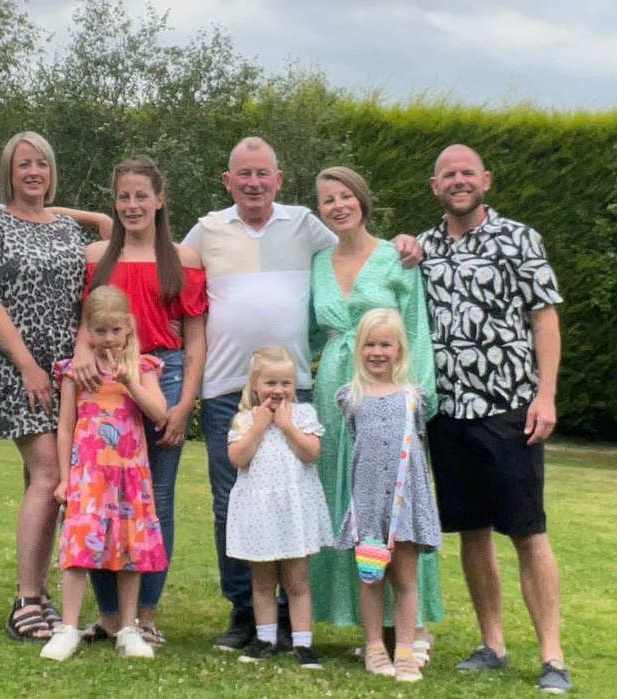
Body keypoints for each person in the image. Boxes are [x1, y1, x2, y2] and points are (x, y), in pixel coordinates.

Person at [183, 136, 422, 650]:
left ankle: (293, 616)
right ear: (227, 181)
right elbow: (161, 264)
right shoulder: (207, 229)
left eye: (262, 174)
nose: (253, 183)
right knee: (233, 504)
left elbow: (357, 241)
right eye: (243, 174)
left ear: (278, 179)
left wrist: (405, 242)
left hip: (296, 390)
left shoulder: (305, 225)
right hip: (227, 391)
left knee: (294, 499)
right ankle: (245, 614)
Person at [418, 144, 571, 694]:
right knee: (472, 532)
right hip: (448, 414)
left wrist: (545, 396)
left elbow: (544, 318)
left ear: (485, 180)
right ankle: (493, 645)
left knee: (528, 531)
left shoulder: (519, 238)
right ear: (435, 186)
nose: (458, 181)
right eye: (448, 174)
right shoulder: (423, 249)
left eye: (467, 173)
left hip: (510, 409)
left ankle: (552, 656)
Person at [0, 131, 112, 643]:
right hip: (18, 369)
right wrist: (28, 366)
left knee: (49, 482)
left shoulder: (68, 229)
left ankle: (43, 594)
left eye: (41, 164)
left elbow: (102, 248)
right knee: (48, 475)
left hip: (70, 370)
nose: (33, 172)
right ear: (8, 172)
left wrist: (80, 354)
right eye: (23, 164)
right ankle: (27, 599)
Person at [309, 166, 441, 664]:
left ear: (363, 201)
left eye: (345, 196)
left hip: (391, 398)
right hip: (336, 395)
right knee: (350, 502)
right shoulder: (318, 262)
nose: (338, 206)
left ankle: (413, 626)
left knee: (399, 502)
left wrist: (418, 398)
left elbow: (416, 329)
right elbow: (307, 330)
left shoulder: (396, 257)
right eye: (328, 200)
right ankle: (364, 624)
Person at [75, 156, 206, 647]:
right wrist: (82, 354)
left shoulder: (184, 259)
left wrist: (184, 404)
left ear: (159, 199)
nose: (132, 205)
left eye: (141, 196)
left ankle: (145, 614)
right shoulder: (96, 257)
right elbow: (85, 323)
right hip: (106, 380)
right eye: (123, 197)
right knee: (101, 497)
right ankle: (110, 615)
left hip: (162, 376)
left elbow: (196, 339)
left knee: (157, 500)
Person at [41, 285, 169, 661]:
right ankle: (67, 627)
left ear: (128, 327)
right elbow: (65, 426)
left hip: (130, 475)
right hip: (88, 474)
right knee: (79, 546)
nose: (109, 338)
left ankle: (128, 628)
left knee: (130, 549)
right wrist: (65, 478)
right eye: (100, 331)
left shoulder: (143, 368)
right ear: (88, 331)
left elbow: (159, 413)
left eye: (115, 330)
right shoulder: (75, 371)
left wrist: (130, 382)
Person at [334, 309, 442, 683]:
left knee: (406, 578)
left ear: (399, 350)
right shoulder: (351, 397)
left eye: (385, 344)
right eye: (370, 344)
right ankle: (375, 646)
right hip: (368, 506)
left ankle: (406, 651)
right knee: (371, 579)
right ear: (359, 349)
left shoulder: (414, 398)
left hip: (404, 505)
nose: (377, 352)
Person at [226, 346, 332, 670]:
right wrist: (259, 427)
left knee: (297, 581)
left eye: (285, 383)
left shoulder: (303, 416)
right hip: (260, 513)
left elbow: (311, 452)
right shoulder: (245, 420)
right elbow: (237, 458)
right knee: (262, 582)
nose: (278, 390)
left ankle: (303, 643)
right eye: (270, 383)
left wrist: (286, 426)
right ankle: (265, 639)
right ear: (255, 385)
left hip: (293, 513)